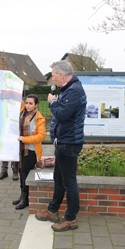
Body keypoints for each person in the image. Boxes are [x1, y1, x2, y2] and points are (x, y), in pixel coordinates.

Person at [35, 60, 87, 232]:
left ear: (62, 75)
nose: (53, 79)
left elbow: (62, 115)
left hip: (69, 143)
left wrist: (52, 102)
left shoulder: (74, 91)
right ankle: (53, 210)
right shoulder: (69, 90)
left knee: (69, 181)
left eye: (54, 75)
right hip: (63, 143)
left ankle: (71, 218)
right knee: (59, 178)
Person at [13, 94, 46, 210]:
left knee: (24, 174)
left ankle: (25, 199)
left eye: (31, 103)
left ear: (36, 105)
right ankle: (22, 196)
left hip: (31, 151)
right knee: (21, 172)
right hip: (20, 149)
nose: (28, 105)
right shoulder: (22, 112)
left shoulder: (39, 118)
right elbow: (16, 98)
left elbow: (40, 137)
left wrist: (24, 139)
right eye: (26, 102)